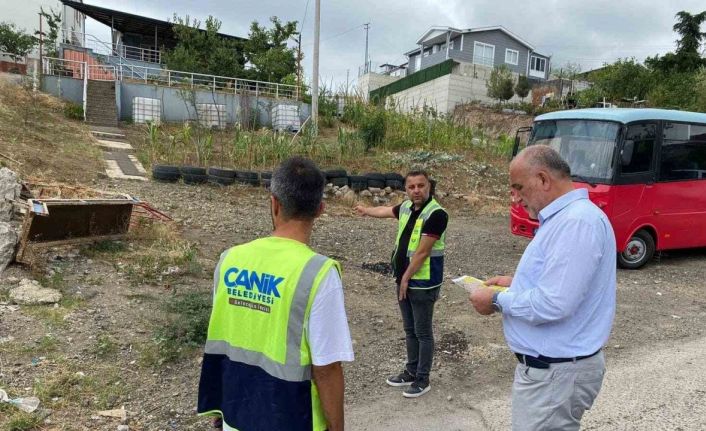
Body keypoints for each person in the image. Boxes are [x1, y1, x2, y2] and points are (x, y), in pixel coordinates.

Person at [197, 157, 354, 431]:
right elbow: (327, 369)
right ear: (320, 209)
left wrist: (221, 408)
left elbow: (227, 335)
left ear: (274, 204)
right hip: (291, 418)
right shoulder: (318, 273)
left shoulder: (229, 260)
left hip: (236, 413)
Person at [470, 145, 616, 431]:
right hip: (552, 373)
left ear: (543, 180)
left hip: (555, 374)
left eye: (518, 187)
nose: (515, 197)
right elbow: (565, 284)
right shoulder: (568, 219)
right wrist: (516, 283)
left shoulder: (576, 223)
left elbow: (555, 303)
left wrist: (498, 300)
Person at [354, 170, 448, 398]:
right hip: (403, 279)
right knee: (409, 329)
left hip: (423, 282)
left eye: (421, 186)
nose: (416, 190)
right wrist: (366, 210)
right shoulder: (406, 208)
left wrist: (405, 278)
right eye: (411, 187)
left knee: (423, 332)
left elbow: (423, 251)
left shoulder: (437, 214)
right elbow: (386, 210)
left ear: (429, 187)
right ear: (406, 189)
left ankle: (422, 379)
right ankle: (410, 370)